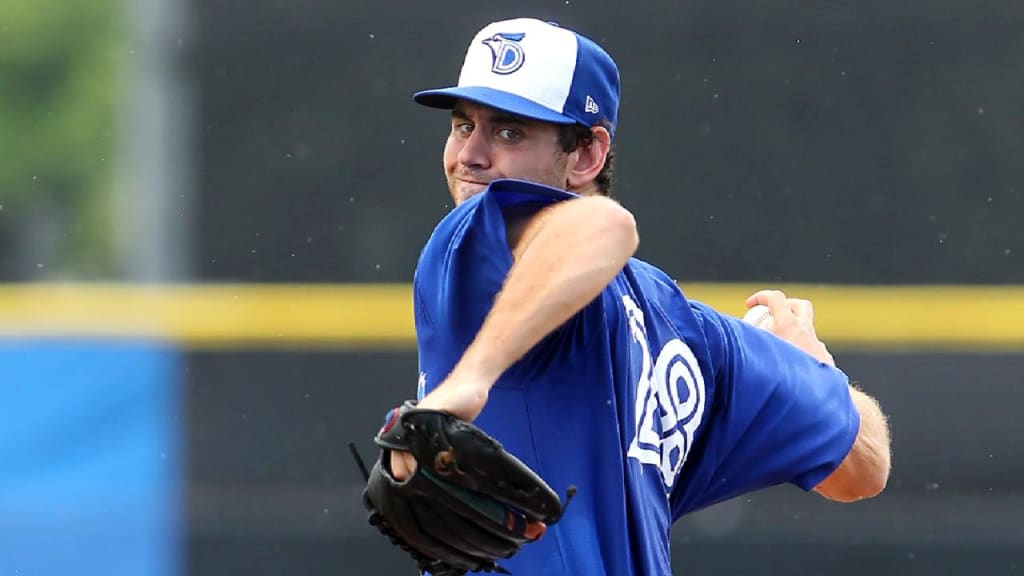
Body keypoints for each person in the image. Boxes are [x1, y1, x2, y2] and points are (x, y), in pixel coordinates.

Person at [389, 17, 891, 575]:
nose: (471, 155)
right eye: (463, 126)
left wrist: (466, 382)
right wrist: (818, 370)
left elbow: (605, 227)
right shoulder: (688, 335)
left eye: (509, 132)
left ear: (586, 155)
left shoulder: (470, 246)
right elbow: (863, 464)